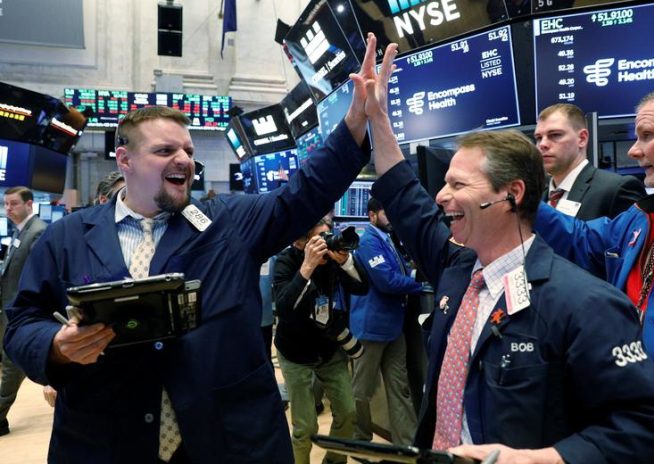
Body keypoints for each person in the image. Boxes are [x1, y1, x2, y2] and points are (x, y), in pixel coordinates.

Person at [3, 32, 385, 463]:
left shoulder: (229, 222)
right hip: (109, 442)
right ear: (125, 160)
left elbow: (304, 194)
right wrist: (56, 345)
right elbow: (22, 323)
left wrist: (355, 122)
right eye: (165, 150)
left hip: (226, 441)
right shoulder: (67, 237)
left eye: (187, 149)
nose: (184, 159)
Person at [360, 45, 654, 462]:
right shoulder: (456, 270)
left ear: (512, 194)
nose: (440, 196)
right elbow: (405, 198)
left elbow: (648, 426)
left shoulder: (583, 303)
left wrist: (540, 459)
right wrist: (377, 119)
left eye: (458, 185)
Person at [534, 76, 654, 464]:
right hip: (629, 424)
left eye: (647, 135)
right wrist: (522, 196)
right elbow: (582, 239)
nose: (635, 150)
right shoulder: (646, 215)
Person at [273, 218, 367, 464]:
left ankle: (334, 461)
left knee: (348, 413)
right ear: (300, 242)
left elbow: (362, 287)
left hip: (327, 347)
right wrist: (307, 266)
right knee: (305, 426)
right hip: (294, 352)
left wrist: (346, 262)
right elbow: (284, 309)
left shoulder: (332, 260)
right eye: (319, 239)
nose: (326, 244)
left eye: (328, 236)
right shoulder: (286, 261)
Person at [350, 197, 421, 445]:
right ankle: (360, 441)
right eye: (386, 213)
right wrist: (420, 285)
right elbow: (387, 281)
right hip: (371, 328)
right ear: (372, 215)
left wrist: (414, 274)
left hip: (393, 327)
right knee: (361, 391)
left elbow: (401, 271)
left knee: (400, 388)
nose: (392, 218)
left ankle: (407, 444)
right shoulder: (368, 241)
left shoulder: (388, 239)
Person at [534, 103, 645, 219]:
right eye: (538, 138)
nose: (543, 144)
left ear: (582, 138)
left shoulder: (617, 189)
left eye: (555, 135)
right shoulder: (535, 196)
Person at [0, 186, 47, 436]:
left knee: (12, 362)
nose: (8, 209)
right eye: (5, 204)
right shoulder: (21, 231)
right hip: (9, 308)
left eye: (13, 203)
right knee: (11, 360)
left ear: (29, 204)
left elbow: (37, 275)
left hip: (21, 312)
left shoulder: (37, 231)